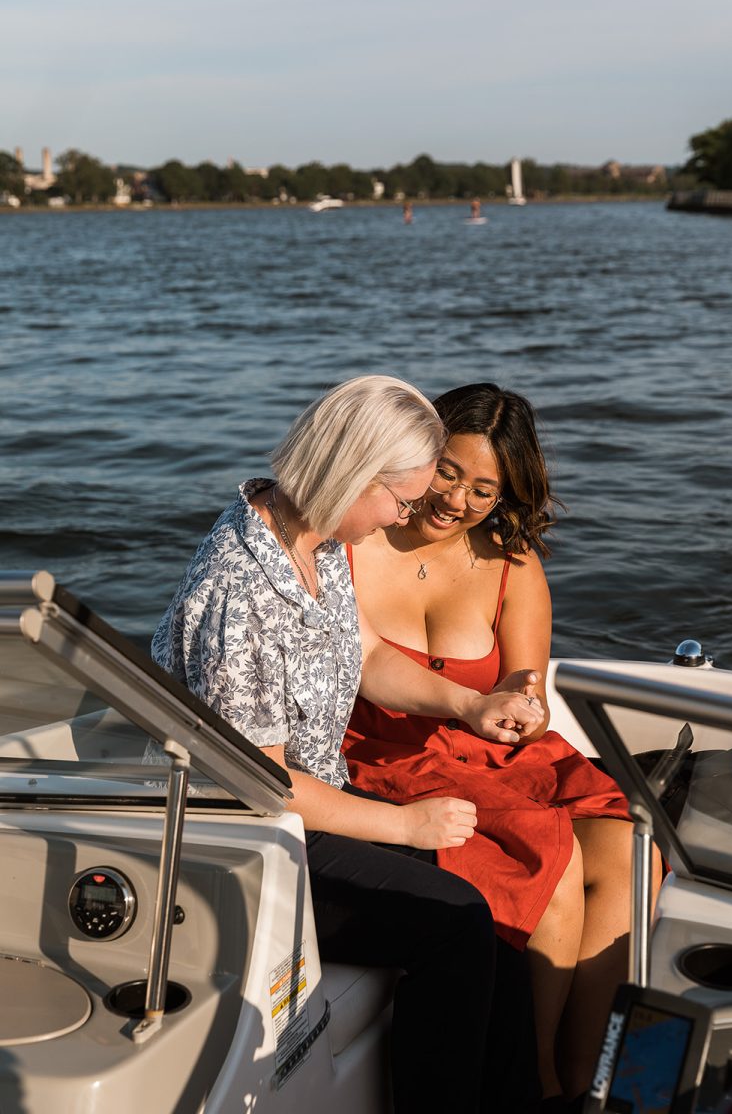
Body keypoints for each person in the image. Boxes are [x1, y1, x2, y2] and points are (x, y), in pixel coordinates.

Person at [151, 376, 541, 1114]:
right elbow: (261, 784)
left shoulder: (314, 537)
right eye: (401, 498)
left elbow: (365, 656)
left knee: (499, 930)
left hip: (305, 814)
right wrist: (404, 824)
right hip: (246, 844)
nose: (407, 515)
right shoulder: (242, 590)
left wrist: (470, 703)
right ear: (354, 474)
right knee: (456, 928)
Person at [343, 382, 658, 1105]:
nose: (456, 500)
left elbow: (527, 677)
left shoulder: (510, 559)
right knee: (553, 850)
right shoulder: (357, 540)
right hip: (387, 756)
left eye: (483, 489)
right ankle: (533, 1082)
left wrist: (524, 702)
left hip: (491, 746)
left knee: (627, 845)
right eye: (448, 473)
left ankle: (588, 1079)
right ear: (419, 455)